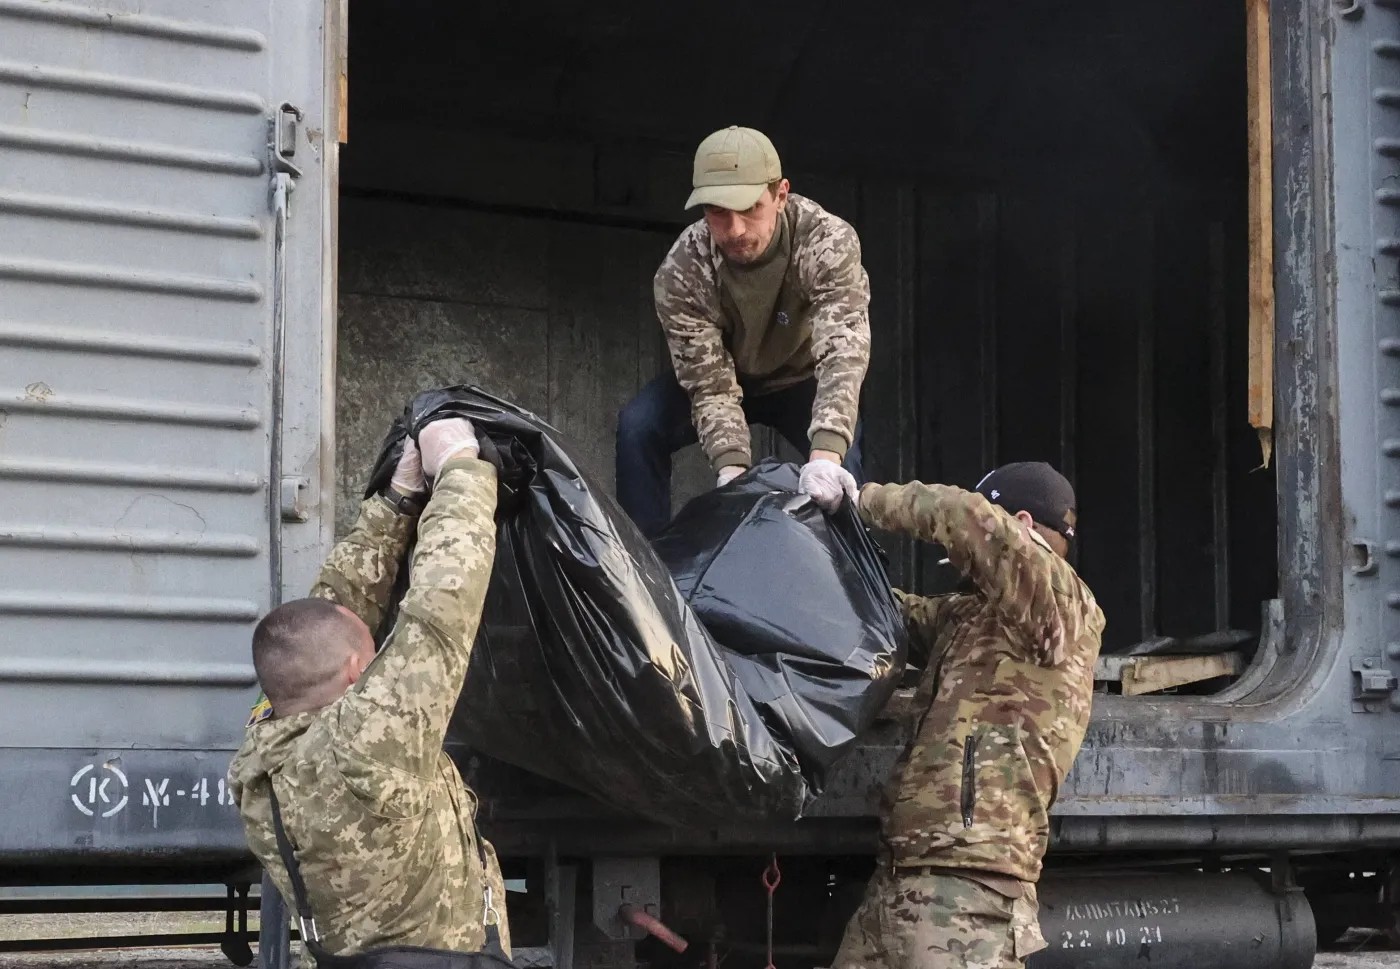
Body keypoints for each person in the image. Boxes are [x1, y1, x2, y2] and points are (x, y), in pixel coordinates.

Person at [230, 417, 512, 959]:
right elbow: (442, 605)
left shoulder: (265, 748)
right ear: (360, 673)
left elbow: (326, 621)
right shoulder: (363, 745)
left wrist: (397, 503)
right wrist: (460, 468)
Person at [833, 462, 1106, 969]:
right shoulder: (970, 616)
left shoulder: (1062, 603)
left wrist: (859, 498)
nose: (965, 563)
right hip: (898, 885)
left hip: (970, 894)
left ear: (1021, 525)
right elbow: (886, 615)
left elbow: (965, 514)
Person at [616, 125, 869, 536]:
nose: (734, 230)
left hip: (802, 376)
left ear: (780, 195)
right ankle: (643, 572)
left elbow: (843, 352)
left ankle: (851, 580)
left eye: (749, 208)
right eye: (717, 211)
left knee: (843, 467)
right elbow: (709, 384)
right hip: (728, 377)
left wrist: (826, 452)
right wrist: (731, 468)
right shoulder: (683, 270)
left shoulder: (826, 241)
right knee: (638, 426)